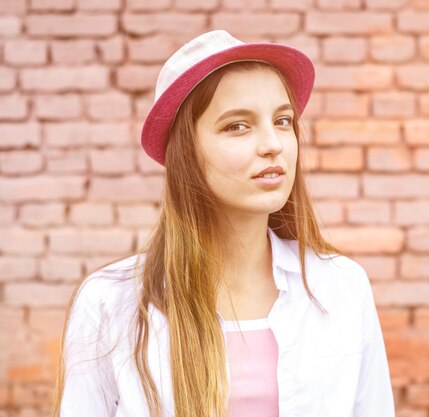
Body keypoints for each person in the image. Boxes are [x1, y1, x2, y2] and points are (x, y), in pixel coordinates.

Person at [51, 29, 395, 417]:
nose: (273, 144)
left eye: (283, 121)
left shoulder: (342, 288)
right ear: (188, 153)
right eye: (237, 126)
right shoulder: (112, 303)